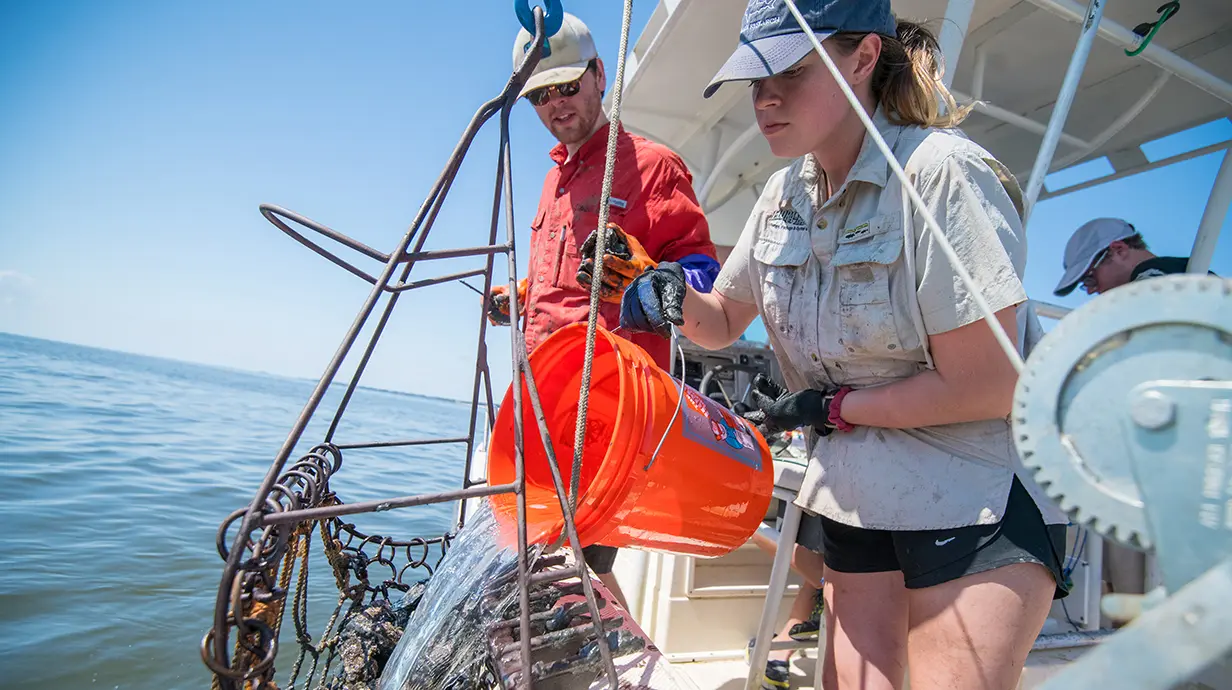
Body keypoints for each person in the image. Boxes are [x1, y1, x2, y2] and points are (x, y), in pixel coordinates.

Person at [620, 2, 1071, 689]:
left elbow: (988, 384)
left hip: (973, 497)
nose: (765, 98)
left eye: (791, 73)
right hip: (858, 499)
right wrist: (673, 296)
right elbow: (722, 319)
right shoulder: (782, 195)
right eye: (754, 79)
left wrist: (833, 409)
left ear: (863, 58)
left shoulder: (942, 174)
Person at [491, 12, 720, 613]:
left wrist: (654, 276)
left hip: (609, 418)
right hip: (542, 411)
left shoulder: (652, 166)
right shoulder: (552, 181)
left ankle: (621, 669)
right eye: (541, 94)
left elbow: (701, 274)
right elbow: (557, 280)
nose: (556, 104)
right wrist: (518, 295)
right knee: (546, 571)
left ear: (599, 74)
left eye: (567, 85)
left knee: (564, 580)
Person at [1054, 217, 1210, 296]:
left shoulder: (1151, 277)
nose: (1090, 291)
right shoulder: (1185, 273)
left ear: (1119, 250)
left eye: (1089, 279)